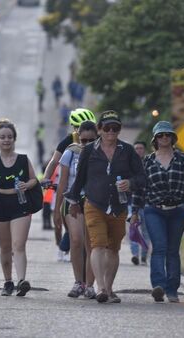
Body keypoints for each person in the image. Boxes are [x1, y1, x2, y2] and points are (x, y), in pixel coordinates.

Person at [65, 110, 146, 304]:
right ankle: (100, 287)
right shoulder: (89, 150)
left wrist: (130, 183)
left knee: (113, 249)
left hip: (119, 206)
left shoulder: (127, 151)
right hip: (94, 203)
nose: (111, 131)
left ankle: (109, 288)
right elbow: (80, 179)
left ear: (119, 130)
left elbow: (142, 177)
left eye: (115, 128)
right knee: (97, 244)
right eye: (107, 128)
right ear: (100, 129)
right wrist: (74, 201)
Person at [131, 121, 184, 303]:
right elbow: (140, 189)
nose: (164, 138)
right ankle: (158, 286)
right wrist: (135, 212)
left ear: (173, 138)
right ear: (155, 139)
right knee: (159, 247)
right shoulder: (147, 161)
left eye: (167, 135)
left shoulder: (183, 159)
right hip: (154, 210)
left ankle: (172, 290)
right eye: (161, 135)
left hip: (178, 210)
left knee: (172, 250)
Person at [0, 119, 38, 297]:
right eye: (2, 137)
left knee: (18, 245)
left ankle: (22, 281)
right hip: (0, 205)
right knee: (5, 247)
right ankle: (8, 281)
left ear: (14, 139)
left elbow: (34, 179)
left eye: (10, 137)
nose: (6, 140)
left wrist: (27, 185)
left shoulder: (23, 159)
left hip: (20, 204)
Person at [54, 120, 98, 299]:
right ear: (79, 137)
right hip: (72, 200)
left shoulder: (101, 152)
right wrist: (56, 210)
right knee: (76, 239)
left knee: (91, 244)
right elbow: (62, 182)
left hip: (93, 201)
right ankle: (77, 282)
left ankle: (90, 285)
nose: (86, 144)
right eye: (84, 140)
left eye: (90, 140)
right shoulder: (70, 153)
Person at [129, 141, 150, 266]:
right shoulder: (128, 165)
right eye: (136, 148)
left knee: (146, 231)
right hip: (131, 203)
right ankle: (135, 255)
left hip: (147, 203)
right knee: (133, 229)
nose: (138, 150)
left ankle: (144, 255)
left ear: (144, 150)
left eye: (141, 148)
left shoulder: (149, 164)